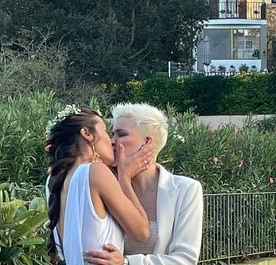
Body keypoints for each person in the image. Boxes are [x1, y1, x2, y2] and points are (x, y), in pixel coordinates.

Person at [85, 103, 204, 265]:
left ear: (147, 142)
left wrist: (126, 262)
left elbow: (185, 259)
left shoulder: (186, 189)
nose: (112, 141)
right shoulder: (105, 184)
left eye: (121, 134)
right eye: (112, 134)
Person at [45, 104, 156, 265]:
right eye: (105, 131)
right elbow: (141, 233)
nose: (111, 141)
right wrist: (125, 178)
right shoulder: (95, 172)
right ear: (87, 133)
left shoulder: (53, 179)